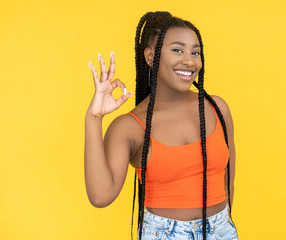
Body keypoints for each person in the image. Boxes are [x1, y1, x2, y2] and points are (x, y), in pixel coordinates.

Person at [85, 11, 239, 240]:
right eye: (177, 50)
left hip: (221, 230)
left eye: (195, 52)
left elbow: (228, 182)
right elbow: (100, 197)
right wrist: (94, 118)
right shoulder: (130, 126)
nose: (189, 60)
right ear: (150, 56)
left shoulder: (217, 108)